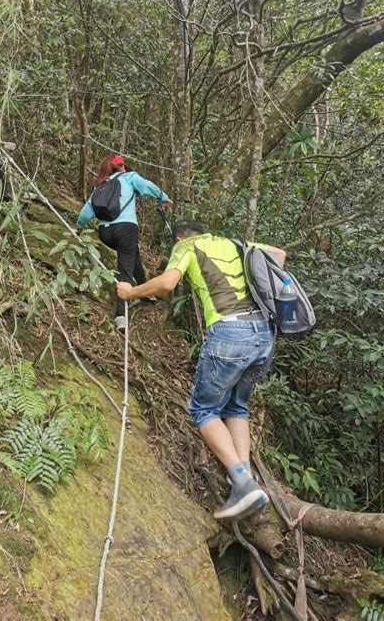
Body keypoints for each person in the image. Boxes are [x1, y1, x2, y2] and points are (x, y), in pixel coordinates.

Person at [117, 220, 287, 521]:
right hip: (264, 335)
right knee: (236, 406)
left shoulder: (187, 245)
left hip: (230, 333)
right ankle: (246, 481)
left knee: (204, 409)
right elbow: (279, 254)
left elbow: (167, 284)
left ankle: (243, 483)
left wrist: (131, 293)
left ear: (180, 237)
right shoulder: (237, 244)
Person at [77, 154, 172, 331]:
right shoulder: (129, 177)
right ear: (121, 167)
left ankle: (146, 291)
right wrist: (164, 198)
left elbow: (86, 211)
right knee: (125, 271)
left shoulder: (101, 185)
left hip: (105, 232)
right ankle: (121, 315)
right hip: (126, 229)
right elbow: (146, 185)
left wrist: (79, 227)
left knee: (131, 253)